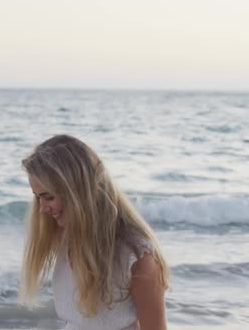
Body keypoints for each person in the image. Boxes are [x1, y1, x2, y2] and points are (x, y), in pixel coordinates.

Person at [19, 135, 170, 330]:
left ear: (78, 191)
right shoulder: (66, 240)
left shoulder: (136, 257)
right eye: (37, 197)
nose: (42, 209)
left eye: (48, 197)